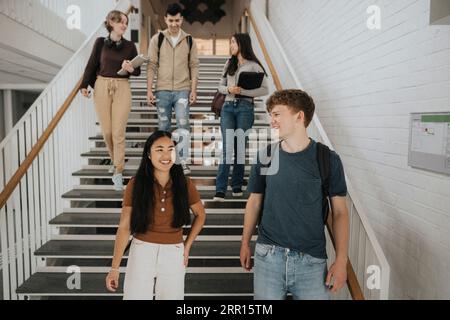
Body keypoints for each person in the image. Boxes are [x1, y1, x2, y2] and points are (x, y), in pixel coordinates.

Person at [240, 89, 350, 300]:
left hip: (312, 263)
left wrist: (342, 260)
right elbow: (254, 202)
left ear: (299, 116)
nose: (272, 120)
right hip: (268, 257)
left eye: (277, 114)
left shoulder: (327, 159)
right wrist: (245, 242)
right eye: (271, 114)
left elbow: (340, 213)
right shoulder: (266, 156)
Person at [105, 131, 206, 300]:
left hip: (174, 253)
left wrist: (186, 246)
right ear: (149, 155)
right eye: (159, 150)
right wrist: (114, 268)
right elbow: (124, 227)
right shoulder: (135, 183)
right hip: (141, 250)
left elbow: (201, 215)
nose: (166, 155)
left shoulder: (185, 183)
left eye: (170, 149)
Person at [80, 10, 141, 191]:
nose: (124, 25)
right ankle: (115, 160)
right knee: (106, 131)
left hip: (122, 87)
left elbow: (137, 71)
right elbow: (91, 64)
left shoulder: (130, 46)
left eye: (126, 22)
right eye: (121, 22)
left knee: (118, 131)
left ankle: (118, 171)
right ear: (111, 23)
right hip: (101, 87)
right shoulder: (100, 43)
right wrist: (84, 85)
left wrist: (130, 68)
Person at [213, 33, 269, 202]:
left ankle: (237, 185)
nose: (231, 46)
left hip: (245, 108)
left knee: (239, 147)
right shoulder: (229, 63)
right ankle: (220, 189)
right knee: (228, 147)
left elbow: (264, 90)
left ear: (242, 44)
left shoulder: (254, 66)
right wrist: (229, 90)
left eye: (233, 42)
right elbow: (220, 86)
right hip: (228, 108)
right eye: (230, 42)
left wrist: (243, 92)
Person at [146, 3, 200, 175]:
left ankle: (182, 161)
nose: (174, 24)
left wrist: (193, 90)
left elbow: (194, 66)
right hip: (162, 90)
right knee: (163, 127)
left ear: (181, 19)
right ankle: (164, 160)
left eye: (177, 20)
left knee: (183, 124)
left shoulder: (189, 40)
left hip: (183, 89)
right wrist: (149, 90)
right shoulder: (157, 39)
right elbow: (151, 65)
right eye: (171, 20)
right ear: (165, 19)